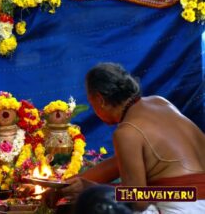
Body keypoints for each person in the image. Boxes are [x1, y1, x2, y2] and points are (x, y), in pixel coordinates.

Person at [60, 62, 205, 213]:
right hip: (194, 201)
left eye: (91, 103)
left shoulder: (126, 132)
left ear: (100, 100)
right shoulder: (160, 102)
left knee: (96, 204)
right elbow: (120, 162)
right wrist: (67, 184)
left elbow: (137, 201)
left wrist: (90, 189)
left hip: (186, 207)